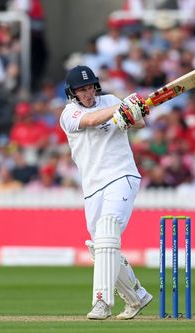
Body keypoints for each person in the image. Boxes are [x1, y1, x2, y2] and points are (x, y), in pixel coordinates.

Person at [59, 65, 152, 320]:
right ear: (72, 93)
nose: (88, 93)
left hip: (122, 175)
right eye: (82, 90)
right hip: (92, 187)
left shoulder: (110, 100)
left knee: (108, 228)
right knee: (100, 246)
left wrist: (135, 110)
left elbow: (140, 123)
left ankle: (102, 302)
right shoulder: (69, 114)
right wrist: (123, 107)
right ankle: (137, 297)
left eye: (90, 88)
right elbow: (91, 120)